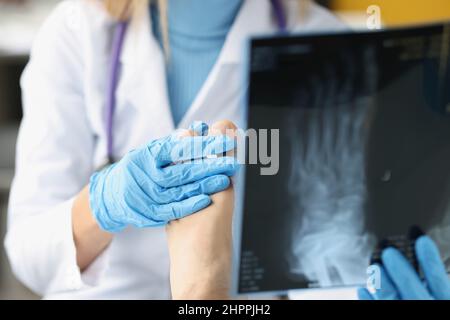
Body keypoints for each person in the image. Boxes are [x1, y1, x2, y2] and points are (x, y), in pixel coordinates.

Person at [5, 0, 346, 299]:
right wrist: (103, 203)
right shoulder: (77, 31)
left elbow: (330, 267)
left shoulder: (326, 43)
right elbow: (31, 262)